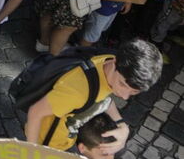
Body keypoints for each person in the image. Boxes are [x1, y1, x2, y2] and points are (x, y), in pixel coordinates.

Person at [24, 38, 162, 152]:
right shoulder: (77, 91)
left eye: (134, 92)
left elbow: (104, 99)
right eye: (122, 85)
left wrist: (122, 125)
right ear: (114, 64)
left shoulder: (110, 59)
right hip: (47, 141)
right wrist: (33, 153)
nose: (125, 96)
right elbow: (35, 112)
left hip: (65, 133)